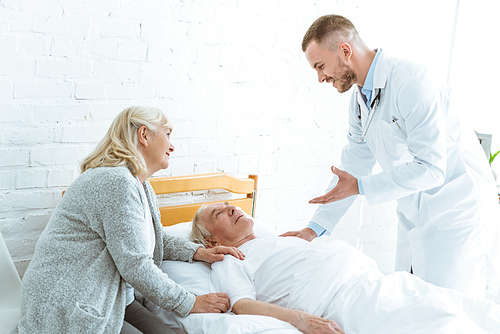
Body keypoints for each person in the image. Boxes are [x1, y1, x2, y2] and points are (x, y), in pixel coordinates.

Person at [281, 14, 500, 298]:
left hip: (457, 210)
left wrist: (361, 186)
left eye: (320, 66)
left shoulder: (413, 83)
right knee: (411, 301)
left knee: (452, 309)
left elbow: (432, 168)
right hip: (417, 213)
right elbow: (350, 169)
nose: (321, 77)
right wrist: (313, 229)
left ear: (345, 51)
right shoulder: (359, 103)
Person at [12, 106, 244, 334]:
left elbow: (152, 236)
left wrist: (196, 252)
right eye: (168, 134)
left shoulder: (139, 184)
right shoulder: (115, 182)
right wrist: (190, 302)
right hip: (69, 300)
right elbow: (136, 265)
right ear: (144, 135)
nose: (172, 146)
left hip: (115, 297)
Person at [191, 202, 500, 334]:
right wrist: (304, 322)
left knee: (457, 309)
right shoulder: (229, 260)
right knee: (441, 325)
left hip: (376, 280)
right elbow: (242, 305)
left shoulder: (280, 239)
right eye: (218, 212)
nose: (232, 208)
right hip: (345, 300)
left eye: (232, 204)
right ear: (210, 242)